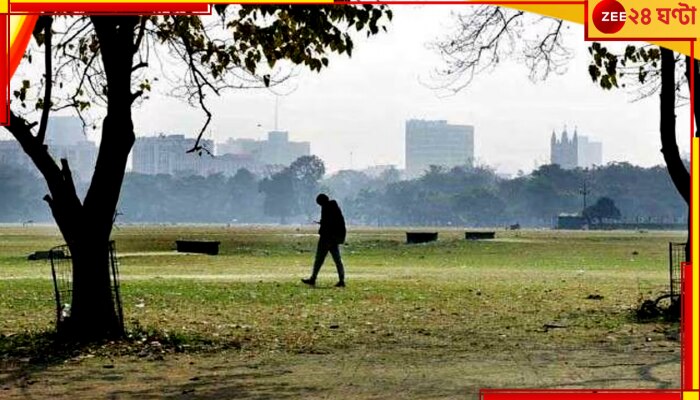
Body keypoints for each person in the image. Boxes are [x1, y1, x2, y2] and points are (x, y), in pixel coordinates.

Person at [302, 194, 347, 287]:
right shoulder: (334, 207)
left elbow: (328, 223)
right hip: (334, 238)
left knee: (319, 259)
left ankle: (313, 278)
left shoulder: (326, 208)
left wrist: (322, 224)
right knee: (337, 260)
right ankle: (341, 280)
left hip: (326, 238)